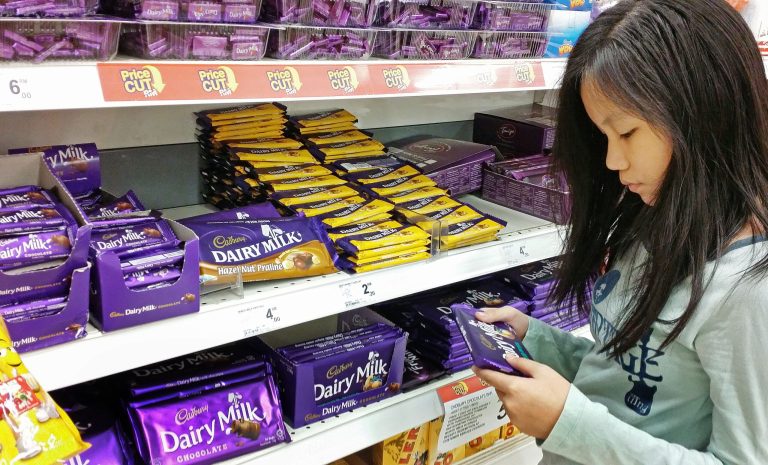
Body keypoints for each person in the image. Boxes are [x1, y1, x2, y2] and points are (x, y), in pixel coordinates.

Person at [471, 0, 768, 464]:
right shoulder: (652, 219)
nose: (613, 161)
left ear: (705, 114)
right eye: (603, 136)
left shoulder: (749, 292)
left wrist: (566, 424)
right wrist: (538, 339)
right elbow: (625, 372)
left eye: (626, 133)